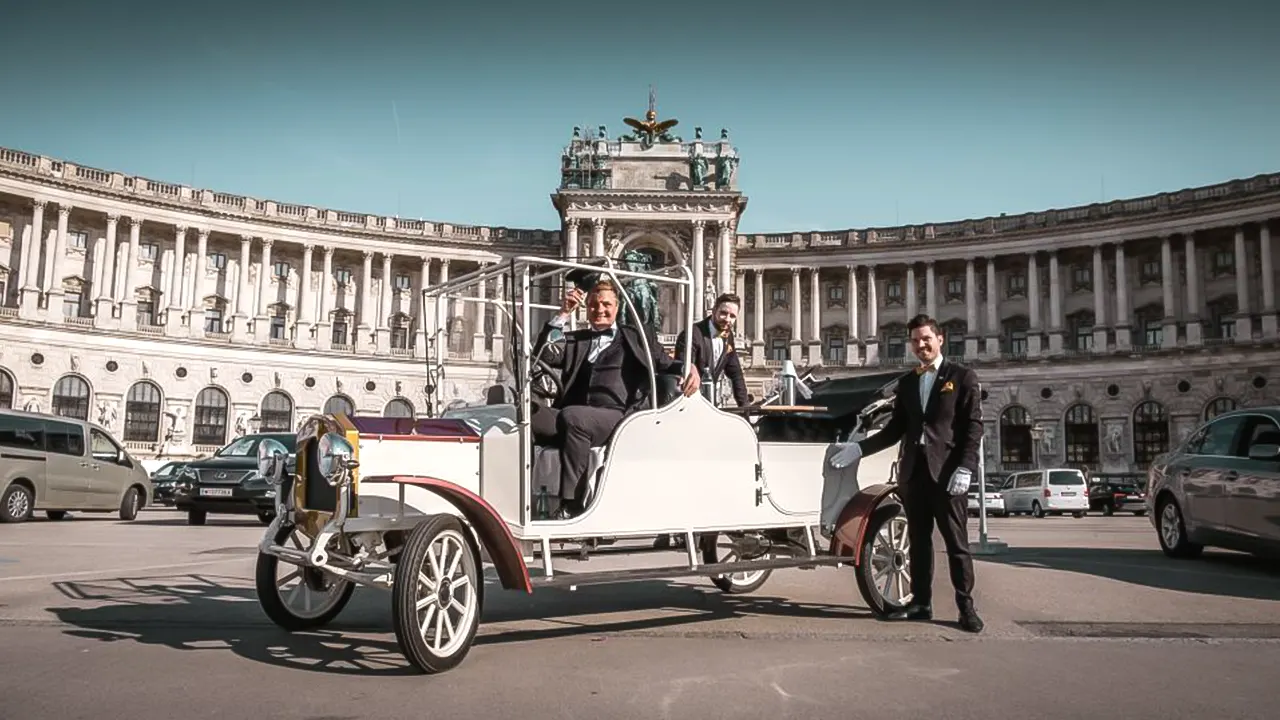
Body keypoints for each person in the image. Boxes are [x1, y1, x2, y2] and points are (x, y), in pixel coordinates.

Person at [829, 313, 985, 633]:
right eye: (915, 340)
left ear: (940, 339)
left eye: (926, 338)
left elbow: (973, 427)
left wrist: (966, 468)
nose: (921, 345)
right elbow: (895, 430)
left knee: (957, 543)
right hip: (914, 474)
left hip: (948, 474)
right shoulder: (908, 382)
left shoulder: (962, 376)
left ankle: (966, 606)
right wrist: (859, 448)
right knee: (918, 542)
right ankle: (920, 604)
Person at [530, 278, 700, 518]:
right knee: (526, 416)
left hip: (617, 416)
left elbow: (666, 363)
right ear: (586, 308)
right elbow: (542, 355)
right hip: (573, 414)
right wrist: (563, 314)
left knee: (574, 418)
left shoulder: (636, 337)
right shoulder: (576, 339)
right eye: (594, 305)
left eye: (606, 304)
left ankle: (573, 505)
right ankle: (523, 495)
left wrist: (689, 367)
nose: (600, 310)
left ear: (617, 308)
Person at [674, 292, 750, 407]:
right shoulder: (692, 333)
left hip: (710, 402)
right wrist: (689, 365)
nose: (727, 319)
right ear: (714, 310)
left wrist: (745, 407)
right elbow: (682, 361)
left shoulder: (728, 337)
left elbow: (736, 374)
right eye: (723, 313)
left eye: (732, 316)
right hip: (687, 399)